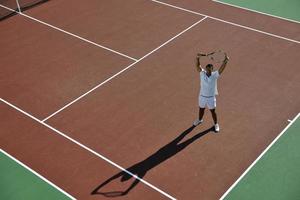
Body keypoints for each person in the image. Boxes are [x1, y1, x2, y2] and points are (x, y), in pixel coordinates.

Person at [193, 52, 229, 132]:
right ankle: (199, 120)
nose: (208, 70)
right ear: (206, 69)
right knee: (201, 109)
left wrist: (225, 61)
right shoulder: (202, 73)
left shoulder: (215, 75)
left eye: (210, 68)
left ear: (212, 69)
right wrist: (197, 58)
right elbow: (198, 66)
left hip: (211, 98)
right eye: (207, 68)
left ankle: (216, 124)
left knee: (213, 111)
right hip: (202, 96)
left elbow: (221, 69)